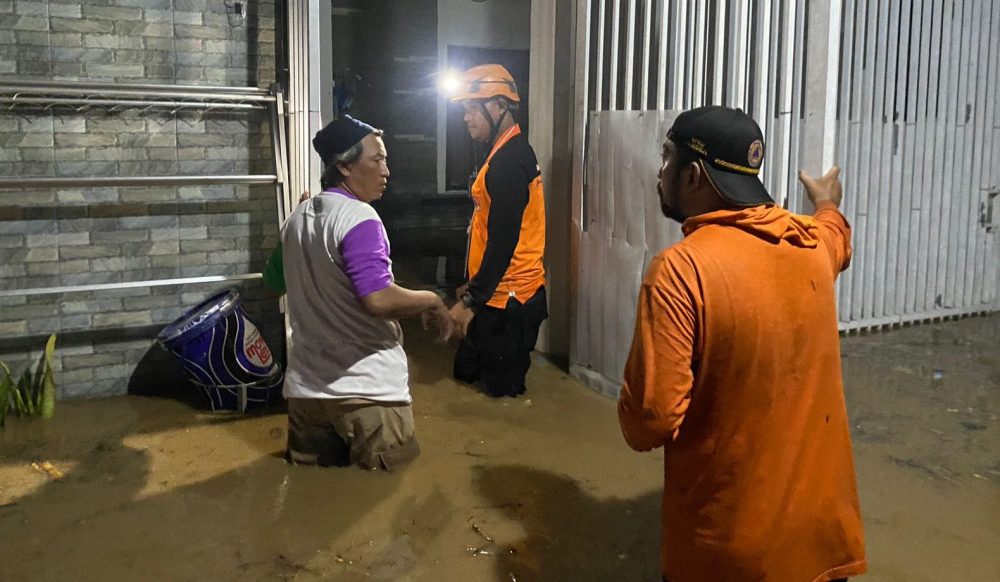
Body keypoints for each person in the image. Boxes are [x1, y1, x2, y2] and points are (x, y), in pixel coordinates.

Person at [617, 106, 866, 581]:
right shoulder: (810, 243)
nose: (658, 172)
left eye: (665, 159)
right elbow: (838, 237)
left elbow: (650, 421)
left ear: (692, 176)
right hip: (820, 540)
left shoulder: (680, 271)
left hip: (731, 555)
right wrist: (829, 203)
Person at [280, 115, 453, 470]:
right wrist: (431, 299)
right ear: (344, 166)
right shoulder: (361, 218)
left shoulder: (295, 220)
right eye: (377, 160)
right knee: (385, 503)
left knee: (313, 502)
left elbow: (273, 284)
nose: (386, 171)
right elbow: (377, 299)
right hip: (367, 395)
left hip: (306, 393)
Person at [448, 64, 548, 398]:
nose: (466, 117)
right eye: (465, 110)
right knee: (464, 374)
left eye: (473, 108)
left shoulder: (508, 162)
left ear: (501, 106)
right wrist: (472, 283)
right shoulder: (502, 152)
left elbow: (503, 242)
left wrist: (469, 301)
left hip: (511, 302)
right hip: (493, 294)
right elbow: (484, 228)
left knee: (502, 398)